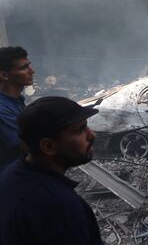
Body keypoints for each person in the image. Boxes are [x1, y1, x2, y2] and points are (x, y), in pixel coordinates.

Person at [0, 96, 103, 244]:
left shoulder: (12, 174)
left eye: (86, 125)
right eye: (80, 130)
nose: (92, 135)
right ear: (48, 146)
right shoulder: (59, 208)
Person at [0, 46, 34, 171]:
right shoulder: (2, 110)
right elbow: (28, 147)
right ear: (4, 75)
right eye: (24, 68)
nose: (32, 71)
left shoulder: (16, 99)